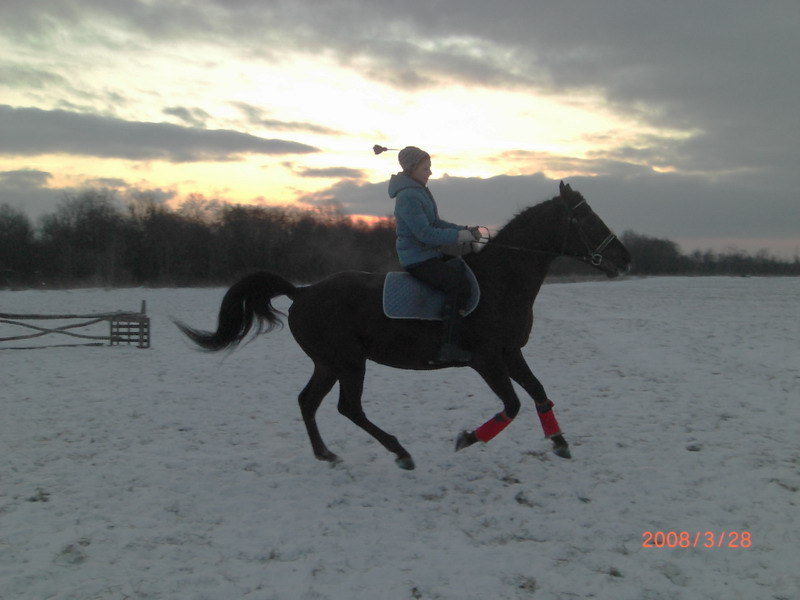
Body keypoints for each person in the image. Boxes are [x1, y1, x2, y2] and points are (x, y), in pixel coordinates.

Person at [388, 146, 480, 363]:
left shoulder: (419, 191)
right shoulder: (408, 197)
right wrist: (460, 237)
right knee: (457, 286)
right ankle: (448, 347)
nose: (430, 172)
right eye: (425, 168)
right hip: (417, 259)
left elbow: (436, 223)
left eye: (429, 168)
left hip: (428, 255)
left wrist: (464, 230)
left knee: (462, 267)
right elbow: (426, 234)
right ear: (411, 169)